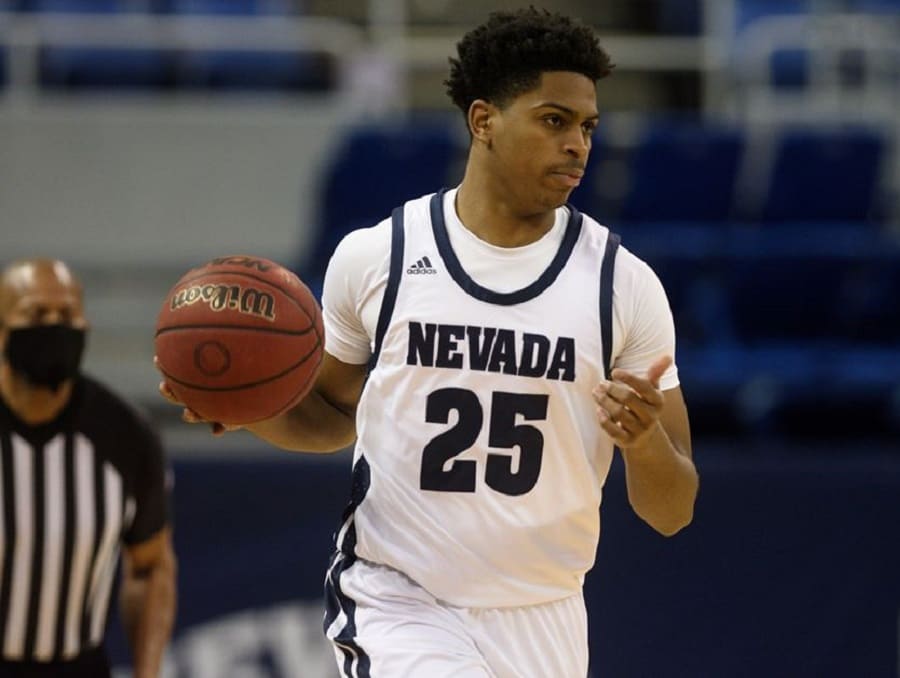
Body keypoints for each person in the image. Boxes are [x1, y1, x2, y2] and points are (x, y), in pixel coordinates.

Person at [162, 8, 699, 677]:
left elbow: (674, 509)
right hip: (400, 601)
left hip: (546, 615)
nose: (578, 145)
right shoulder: (378, 256)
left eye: (588, 127)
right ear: (483, 121)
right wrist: (249, 407)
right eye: (554, 120)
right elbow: (331, 417)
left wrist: (645, 443)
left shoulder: (624, 286)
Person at [1, 259, 176, 678]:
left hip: (79, 667)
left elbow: (150, 566)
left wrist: (146, 672)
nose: (54, 326)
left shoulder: (125, 433)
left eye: (66, 315)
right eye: (37, 314)